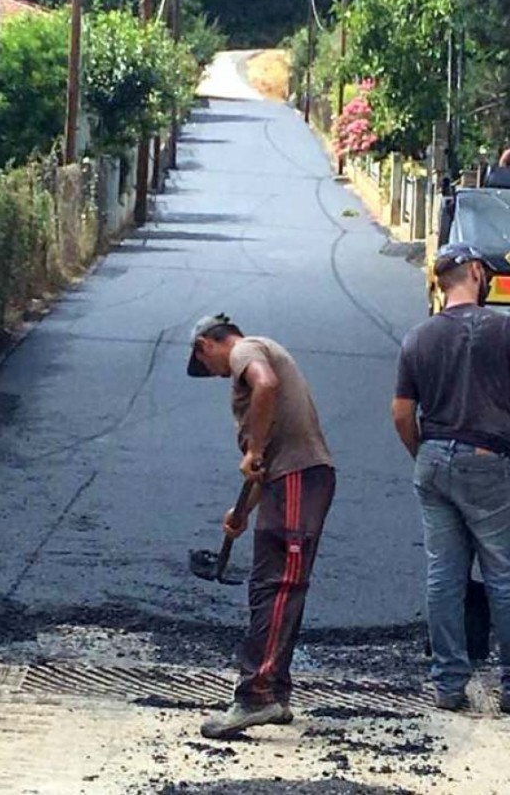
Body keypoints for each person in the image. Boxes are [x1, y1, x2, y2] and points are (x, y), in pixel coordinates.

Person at [392, 242, 510, 714]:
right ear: (473, 272)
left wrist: (423, 453)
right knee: (504, 574)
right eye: (484, 274)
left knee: (443, 575)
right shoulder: (501, 326)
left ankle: (449, 684)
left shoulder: (417, 337)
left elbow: (402, 413)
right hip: (485, 459)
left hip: (432, 459)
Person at [187, 314, 335, 739]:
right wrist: (244, 513)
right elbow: (261, 465)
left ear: (205, 345)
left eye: (208, 368)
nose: (218, 377)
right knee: (274, 584)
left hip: (297, 478)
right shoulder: (260, 351)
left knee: (277, 585)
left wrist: (251, 446)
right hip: (290, 480)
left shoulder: (246, 350)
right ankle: (276, 692)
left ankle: (257, 696)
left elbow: (265, 385)